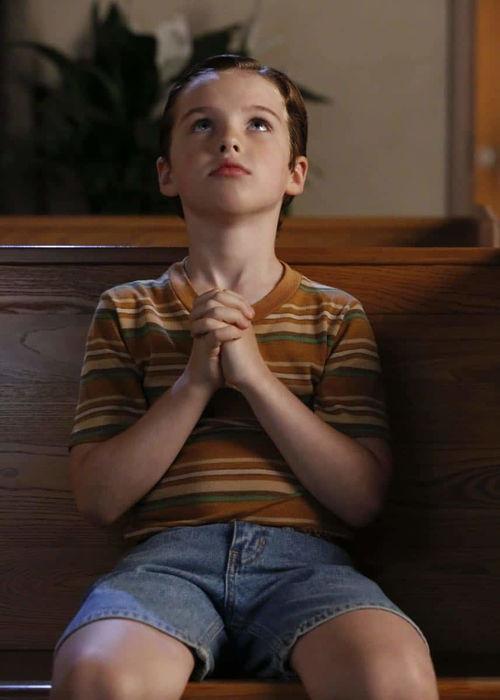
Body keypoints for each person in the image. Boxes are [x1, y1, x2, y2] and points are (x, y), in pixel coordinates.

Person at [50, 54, 439, 700]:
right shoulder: (128, 310)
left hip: (307, 567)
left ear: (295, 174)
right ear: (166, 173)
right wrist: (194, 384)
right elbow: (97, 497)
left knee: (390, 673)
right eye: (202, 124)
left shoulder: (335, 316)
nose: (229, 139)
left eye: (258, 123)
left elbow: (361, 498)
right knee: (99, 674)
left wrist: (255, 378)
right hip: (165, 567)